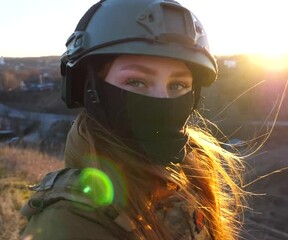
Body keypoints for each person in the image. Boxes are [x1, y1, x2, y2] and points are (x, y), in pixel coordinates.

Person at [20, 0, 247, 239]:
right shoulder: (68, 223)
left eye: (178, 85)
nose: (162, 100)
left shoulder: (189, 175)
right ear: (89, 89)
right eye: (136, 82)